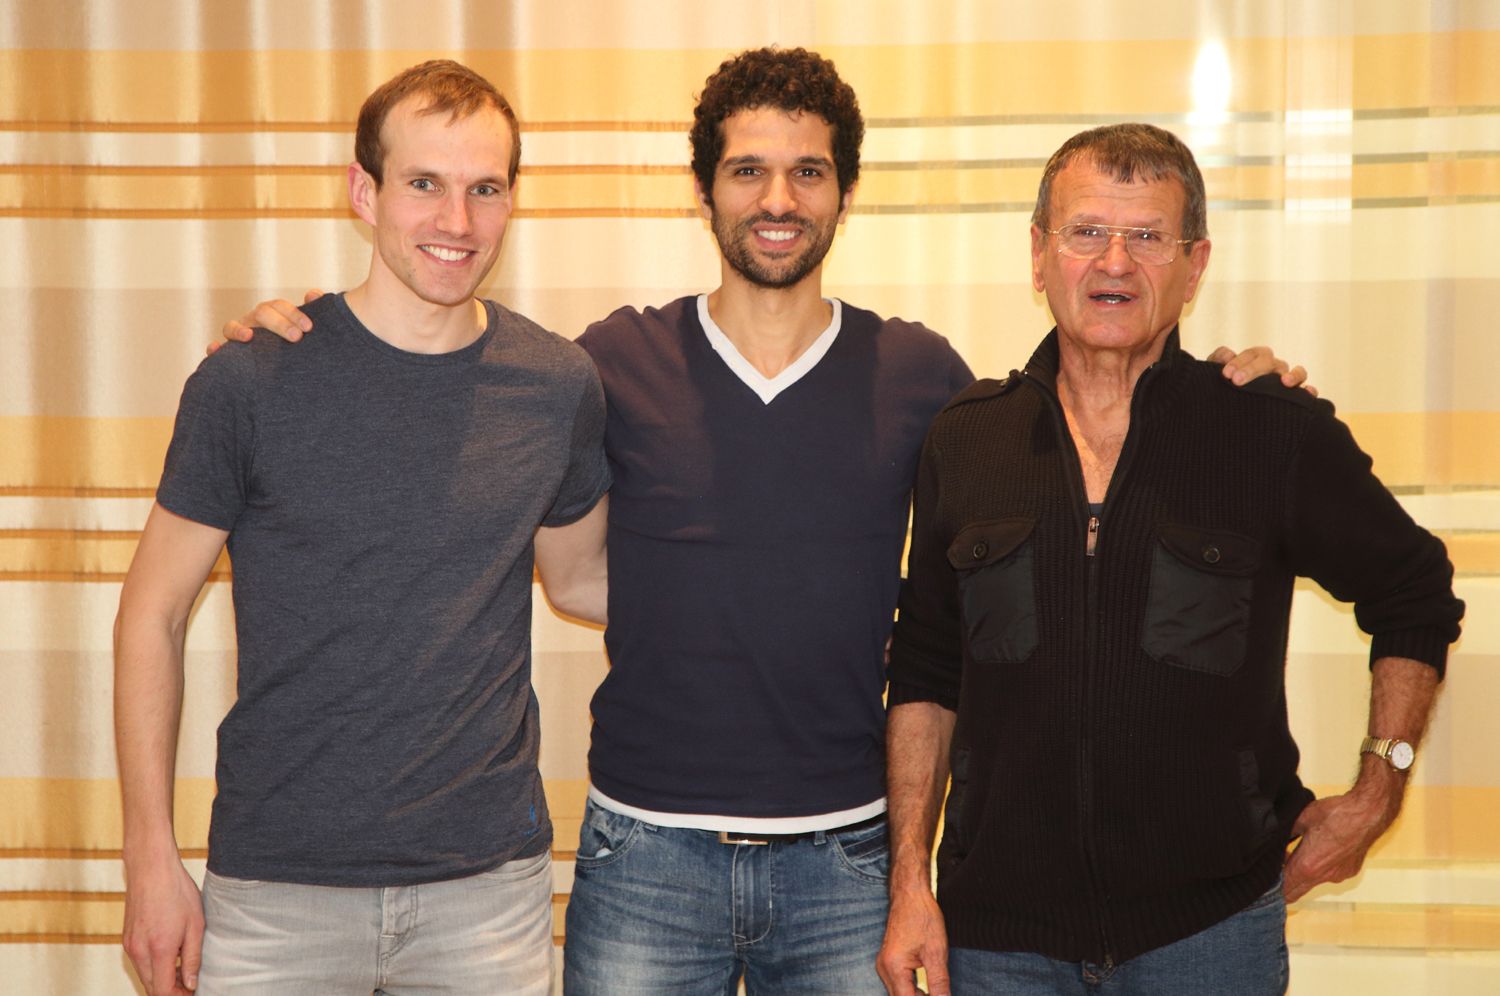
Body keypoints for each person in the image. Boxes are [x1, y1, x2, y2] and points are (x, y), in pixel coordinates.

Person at [223, 53, 1303, 994]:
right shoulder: (608, 362)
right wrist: (305, 338)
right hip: (645, 857)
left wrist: (1215, 387)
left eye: (808, 171)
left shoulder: (922, 374)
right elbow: (483, 425)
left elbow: (1073, 436)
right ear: (705, 189)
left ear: (844, 193)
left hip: (849, 862)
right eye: (747, 169)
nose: (777, 197)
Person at [877, 123, 1465, 996]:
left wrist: (1380, 791)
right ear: (1038, 255)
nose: (1114, 261)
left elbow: (1415, 592)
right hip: (998, 942)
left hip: (1209, 936)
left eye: (1148, 236)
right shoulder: (966, 440)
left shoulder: (1269, 431)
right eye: (1086, 231)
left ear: (1195, 267)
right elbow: (927, 671)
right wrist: (909, 885)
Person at [114, 60, 609, 996]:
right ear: (363, 192)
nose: (456, 221)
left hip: (485, 896)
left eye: (484, 189)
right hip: (276, 895)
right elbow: (152, 614)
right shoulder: (251, 378)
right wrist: (149, 858)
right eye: (423, 183)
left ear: (512, 200)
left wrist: (780, 595)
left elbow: (585, 578)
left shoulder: (556, 385)